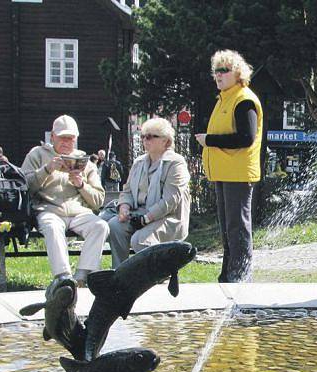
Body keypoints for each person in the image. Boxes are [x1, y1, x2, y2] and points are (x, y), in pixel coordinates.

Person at [194, 49, 263, 283]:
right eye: (216, 71)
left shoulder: (244, 99)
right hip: (224, 173)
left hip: (238, 173)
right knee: (227, 228)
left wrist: (209, 140)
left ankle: (241, 276)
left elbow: (246, 138)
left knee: (237, 227)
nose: (219, 75)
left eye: (224, 70)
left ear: (238, 73)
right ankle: (227, 274)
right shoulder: (225, 98)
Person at [21, 115, 109, 284]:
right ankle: (63, 278)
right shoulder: (37, 154)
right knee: (53, 227)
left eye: (71, 139)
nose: (67, 143)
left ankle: (83, 275)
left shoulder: (86, 161)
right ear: (52, 136)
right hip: (49, 210)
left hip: (79, 212)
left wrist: (81, 185)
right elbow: (25, 186)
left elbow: (98, 200)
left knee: (100, 226)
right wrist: (47, 169)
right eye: (62, 138)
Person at [107, 118, 191, 268]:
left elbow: (170, 201)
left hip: (168, 218)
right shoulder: (139, 162)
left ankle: (157, 274)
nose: (145, 140)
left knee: (140, 240)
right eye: (143, 136)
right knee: (115, 225)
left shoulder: (176, 163)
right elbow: (127, 190)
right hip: (138, 214)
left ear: (166, 141)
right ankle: (120, 272)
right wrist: (124, 207)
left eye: (151, 136)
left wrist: (146, 218)